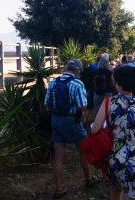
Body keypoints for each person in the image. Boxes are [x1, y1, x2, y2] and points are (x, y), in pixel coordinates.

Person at [91, 66, 135, 200]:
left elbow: (94, 130)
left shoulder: (108, 102)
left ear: (118, 84)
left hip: (113, 157)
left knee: (115, 191)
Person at [44, 59, 98, 199]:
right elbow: (82, 105)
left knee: (59, 156)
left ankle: (59, 189)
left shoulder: (53, 82)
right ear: (76, 70)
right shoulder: (77, 83)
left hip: (55, 120)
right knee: (83, 151)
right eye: (80, 71)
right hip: (72, 121)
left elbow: (46, 103)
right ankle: (89, 179)